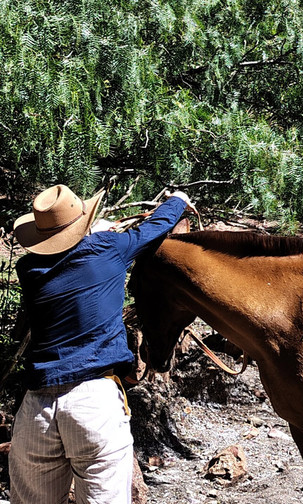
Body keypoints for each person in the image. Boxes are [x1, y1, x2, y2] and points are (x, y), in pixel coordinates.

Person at [9, 183, 195, 504]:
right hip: (93, 402)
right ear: (84, 222)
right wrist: (178, 200)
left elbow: (65, 257)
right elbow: (156, 226)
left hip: (36, 409)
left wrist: (90, 234)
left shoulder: (29, 269)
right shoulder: (107, 247)